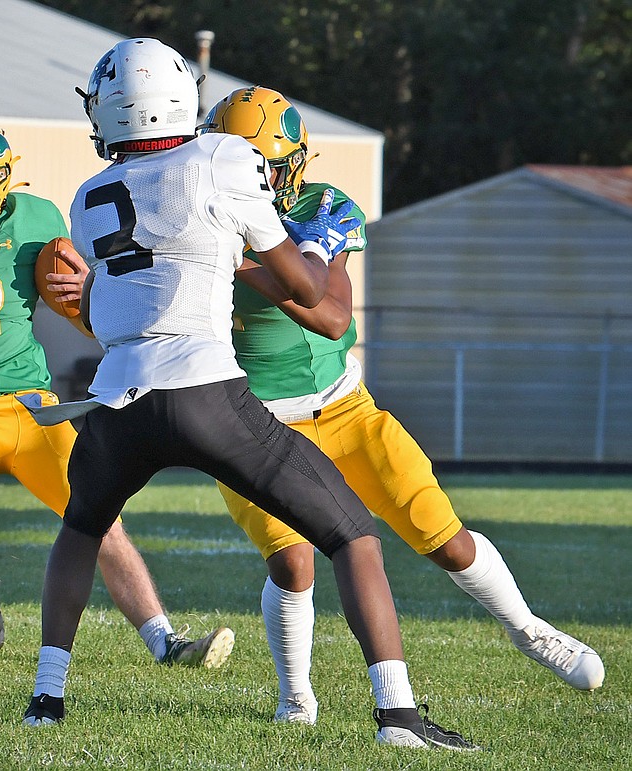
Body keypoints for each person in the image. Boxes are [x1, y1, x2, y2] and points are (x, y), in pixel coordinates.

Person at [20, 38, 477, 751]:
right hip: (204, 390)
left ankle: (47, 699)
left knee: (81, 530)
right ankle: (398, 716)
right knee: (353, 534)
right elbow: (304, 289)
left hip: (114, 400)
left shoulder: (86, 198)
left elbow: (110, 306)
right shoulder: (222, 157)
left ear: (112, 111)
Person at [201, 85, 605, 725]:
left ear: (292, 165)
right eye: (238, 162)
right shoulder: (198, 219)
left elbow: (331, 316)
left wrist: (245, 268)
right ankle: (296, 698)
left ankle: (529, 629)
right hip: (254, 420)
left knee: (446, 538)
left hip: (344, 409)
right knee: (293, 558)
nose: (252, 177)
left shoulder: (320, 207)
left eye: (264, 164)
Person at [0, 114, 233, 666]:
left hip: (32, 405)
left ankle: (164, 643)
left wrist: (90, 291)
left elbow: (86, 310)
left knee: (101, 518)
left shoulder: (35, 221)